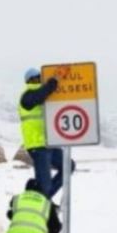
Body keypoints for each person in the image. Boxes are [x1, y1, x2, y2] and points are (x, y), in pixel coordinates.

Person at [19, 67, 75, 199]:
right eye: (39, 77)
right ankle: (42, 204)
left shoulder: (46, 94)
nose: (41, 79)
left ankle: (45, 200)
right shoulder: (27, 95)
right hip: (37, 146)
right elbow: (38, 96)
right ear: (33, 79)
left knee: (68, 166)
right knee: (44, 184)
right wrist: (53, 81)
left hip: (50, 143)